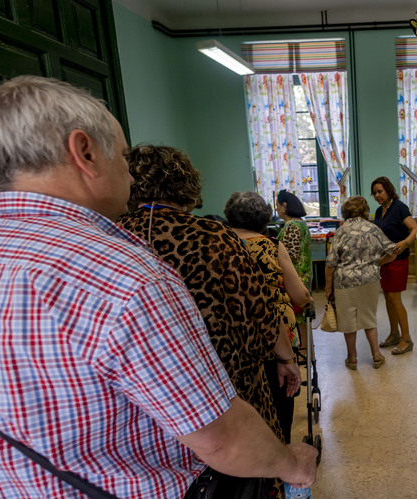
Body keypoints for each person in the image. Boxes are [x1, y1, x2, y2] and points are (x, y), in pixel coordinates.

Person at [0, 76, 317, 499]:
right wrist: (291, 462)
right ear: (83, 151)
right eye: (124, 157)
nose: (131, 174)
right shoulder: (120, 274)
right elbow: (221, 436)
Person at [117, 145, 301, 448]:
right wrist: (286, 358)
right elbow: (260, 309)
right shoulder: (212, 236)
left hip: (146, 392)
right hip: (223, 383)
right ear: (185, 183)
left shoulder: (113, 236)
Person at [223, 190, 311, 443]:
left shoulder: (217, 243)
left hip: (232, 339)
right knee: (278, 396)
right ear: (264, 218)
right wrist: (306, 297)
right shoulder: (271, 245)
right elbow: (298, 295)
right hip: (273, 337)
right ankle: (279, 449)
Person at [325, 196, 397, 369]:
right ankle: (377, 356)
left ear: (345, 212)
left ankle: (352, 359)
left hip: (345, 281)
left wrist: (328, 288)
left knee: (348, 321)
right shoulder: (373, 228)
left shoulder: (342, 231)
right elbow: (393, 252)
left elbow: (330, 263)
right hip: (369, 280)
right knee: (368, 318)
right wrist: (376, 263)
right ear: (365, 210)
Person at [371, 176, 417, 355]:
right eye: (375, 192)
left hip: (398, 259)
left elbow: (413, 228)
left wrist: (405, 242)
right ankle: (394, 333)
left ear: (389, 190)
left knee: (395, 298)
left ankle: (407, 338)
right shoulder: (378, 211)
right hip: (384, 260)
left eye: (380, 191)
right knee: (388, 298)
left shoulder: (399, 207)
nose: (377, 195)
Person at [275, 190, 313, 355]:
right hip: (302, 275)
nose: (276, 210)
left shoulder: (292, 226)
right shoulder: (300, 224)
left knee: (299, 318)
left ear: (284, 206)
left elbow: (289, 255)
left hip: (295, 277)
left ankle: (303, 351)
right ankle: (306, 349)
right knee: (302, 317)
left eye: (277, 205)